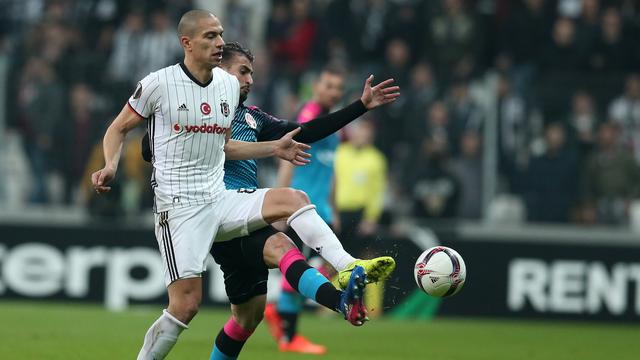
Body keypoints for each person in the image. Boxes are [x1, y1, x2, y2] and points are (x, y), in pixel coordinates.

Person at [91, 11, 371, 360]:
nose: (219, 43)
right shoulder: (160, 85)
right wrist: (111, 164)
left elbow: (229, 143)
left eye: (220, 35)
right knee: (186, 305)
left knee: (254, 302)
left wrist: (354, 109)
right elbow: (128, 132)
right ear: (187, 43)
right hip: (180, 207)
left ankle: (345, 277)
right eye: (211, 36)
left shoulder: (235, 100)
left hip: (221, 199)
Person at [141, 42, 400, 357]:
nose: (250, 79)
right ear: (220, 72)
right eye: (243, 71)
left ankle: (343, 304)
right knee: (293, 199)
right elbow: (148, 147)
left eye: (252, 72)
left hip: (242, 219)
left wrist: (360, 106)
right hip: (213, 209)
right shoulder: (196, 112)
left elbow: (304, 132)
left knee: (248, 316)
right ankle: (346, 266)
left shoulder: (252, 117)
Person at [272, 64, 346, 354]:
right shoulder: (309, 116)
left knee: (318, 268)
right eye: (328, 85)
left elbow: (331, 169)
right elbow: (287, 155)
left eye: (338, 88)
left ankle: (278, 313)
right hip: (302, 209)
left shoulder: (334, 128)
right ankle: (289, 336)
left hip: (322, 210)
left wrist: (334, 208)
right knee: (302, 270)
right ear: (316, 87)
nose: (334, 92)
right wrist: (280, 202)